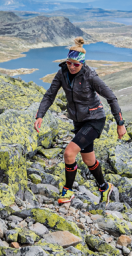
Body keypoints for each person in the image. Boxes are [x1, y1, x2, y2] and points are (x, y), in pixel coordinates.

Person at [35, 37, 127, 205]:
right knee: (88, 160)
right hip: (79, 121)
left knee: (69, 153)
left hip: (95, 120)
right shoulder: (62, 73)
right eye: (69, 63)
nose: (72, 67)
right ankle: (105, 187)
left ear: (82, 64)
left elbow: (111, 98)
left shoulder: (90, 76)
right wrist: (40, 115)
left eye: (76, 64)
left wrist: (120, 124)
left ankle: (68, 190)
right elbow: (50, 95)